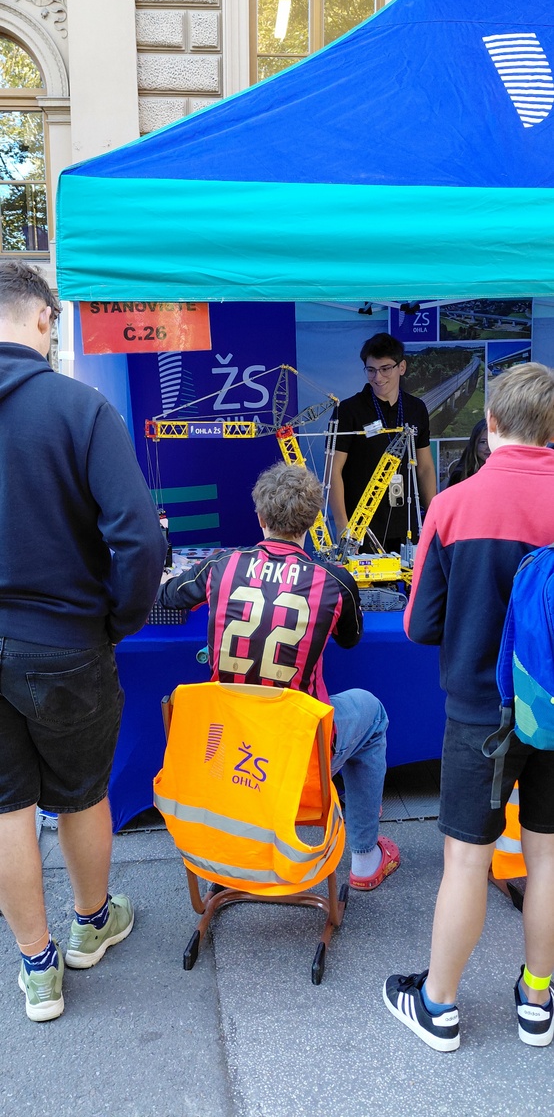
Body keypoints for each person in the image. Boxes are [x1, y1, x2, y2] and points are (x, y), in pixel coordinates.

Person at [0, 261, 166, 1022]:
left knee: (7, 809)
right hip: (65, 643)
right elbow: (140, 538)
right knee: (81, 795)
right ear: (42, 318)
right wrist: (118, 620)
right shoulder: (79, 407)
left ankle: (37, 968)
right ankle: (91, 924)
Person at [383, 362, 554, 1052]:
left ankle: (440, 1006)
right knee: (547, 858)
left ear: (491, 422)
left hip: (481, 715)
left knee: (465, 862)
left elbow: (420, 626)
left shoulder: (454, 505)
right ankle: (537, 1000)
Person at [158, 461, 400, 893]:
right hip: (298, 762)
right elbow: (350, 640)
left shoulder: (221, 566)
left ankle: (233, 849)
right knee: (373, 713)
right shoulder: (335, 581)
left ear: (259, 516)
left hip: (224, 753)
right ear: (312, 520)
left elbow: (168, 595)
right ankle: (365, 858)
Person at [330, 333, 436, 553]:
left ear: (401, 367)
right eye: (371, 370)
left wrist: (434, 519)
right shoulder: (348, 411)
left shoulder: (416, 408)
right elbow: (333, 470)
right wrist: (342, 526)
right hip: (361, 529)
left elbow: (425, 468)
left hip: (407, 525)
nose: (378, 377)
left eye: (385, 369)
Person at [446, 417, 490, 486]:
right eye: (483, 442)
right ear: (474, 444)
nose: (489, 447)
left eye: (493, 442)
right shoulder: (460, 475)